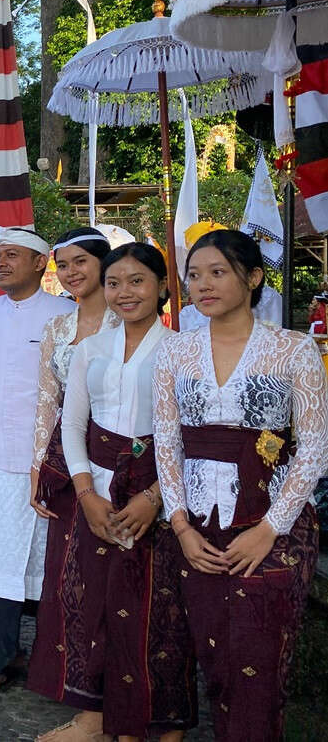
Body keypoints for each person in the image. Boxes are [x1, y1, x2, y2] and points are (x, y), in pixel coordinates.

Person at [154, 230, 327, 740]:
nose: (202, 284)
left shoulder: (294, 350)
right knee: (208, 648)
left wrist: (270, 529)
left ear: (252, 278)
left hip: (270, 521)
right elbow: (167, 441)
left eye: (217, 272)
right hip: (196, 526)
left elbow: (315, 447)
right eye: (193, 275)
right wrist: (181, 526)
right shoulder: (176, 351)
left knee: (259, 654)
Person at [58, 243, 197, 741]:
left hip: (159, 495)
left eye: (137, 281)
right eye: (114, 282)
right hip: (97, 491)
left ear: (162, 286)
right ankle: (108, 719)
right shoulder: (90, 348)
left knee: (160, 613)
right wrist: (85, 492)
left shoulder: (183, 351)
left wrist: (155, 497)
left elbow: (191, 436)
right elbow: (72, 424)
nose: (124, 292)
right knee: (94, 603)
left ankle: (164, 725)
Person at [0, 227, 75, 691]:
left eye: (12, 255)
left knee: (52, 567)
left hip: (53, 463)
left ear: (41, 263)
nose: (1, 263)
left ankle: (53, 665)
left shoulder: (67, 314)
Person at [26, 229, 117, 735]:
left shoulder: (131, 320)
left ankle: (109, 698)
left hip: (120, 457)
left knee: (111, 579)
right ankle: (77, 687)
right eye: (62, 265)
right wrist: (40, 466)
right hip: (66, 459)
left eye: (80, 262)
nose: (71, 273)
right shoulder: (59, 327)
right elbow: (47, 399)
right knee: (67, 576)